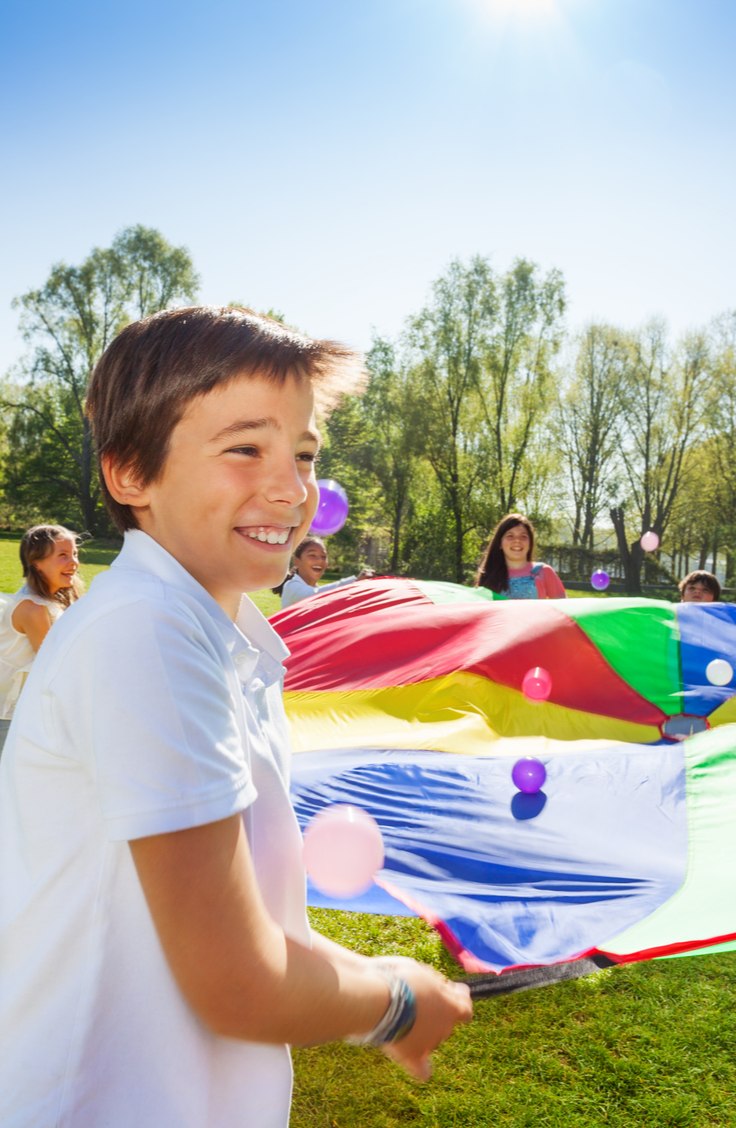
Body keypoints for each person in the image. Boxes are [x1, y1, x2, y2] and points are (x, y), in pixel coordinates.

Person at [0, 306, 471, 1128]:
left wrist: (375, 969)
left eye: (304, 454)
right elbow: (235, 980)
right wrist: (393, 1002)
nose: (292, 489)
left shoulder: (218, 640)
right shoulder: (143, 633)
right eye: (244, 448)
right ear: (129, 476)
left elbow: (259, 929)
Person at [0, 524, 83, 753]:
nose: (73, 562)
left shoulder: (55, 602)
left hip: (27, 710)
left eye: (75, 553)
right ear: (36, 563)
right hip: (8, 715)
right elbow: (55, 666)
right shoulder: (32, 609)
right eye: (63, 555)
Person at [475, 513, 566, 599]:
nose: (517, 540)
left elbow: (564, 609)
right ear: (500, 543)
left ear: (530, 543)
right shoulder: (489, 575)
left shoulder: (544, 572)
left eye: (523, 536)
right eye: (510, 536)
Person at [276, 535, 375, 609]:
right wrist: (353, 582)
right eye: (312, 555)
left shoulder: (317, 588)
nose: (320, 560)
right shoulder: (291, 586)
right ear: (297, 561)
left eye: (323, 557)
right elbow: (316, 596)